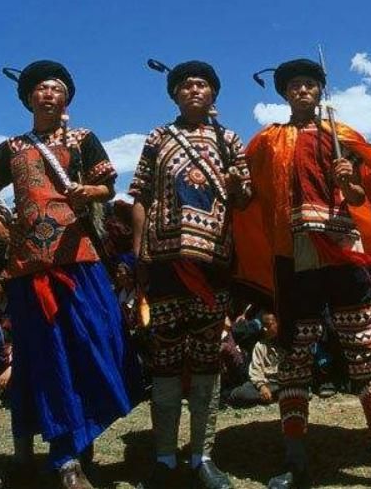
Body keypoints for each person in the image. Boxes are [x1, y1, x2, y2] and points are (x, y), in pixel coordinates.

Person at [235, 58, 371, 489]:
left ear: (320, 91)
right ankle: (295, 459)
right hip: (294, 256)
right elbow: (248, 195)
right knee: (295, 355)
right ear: (285, 94)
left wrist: (349, 181)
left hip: (344, 251)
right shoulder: (268, 141)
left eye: (310, 84)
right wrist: (235, 185)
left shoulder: (343, 136)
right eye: (295, 85)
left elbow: (360, 196)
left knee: (365, 349)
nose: (303, 90)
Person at [0, 60, 143, 489]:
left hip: (80, 260)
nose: (49, 94)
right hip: (29, 268)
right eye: (42, 89)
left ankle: (82, 446)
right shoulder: (11, 147)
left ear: (66, 100)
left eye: (57, 89)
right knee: (45, 356)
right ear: (29, 98)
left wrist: (88, 191)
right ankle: (62, 460)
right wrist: (1, 229)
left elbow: (108, 187)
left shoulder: (82, 140)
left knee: (98, 342)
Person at [130, 59, 251, 489]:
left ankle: (203, 456)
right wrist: (139, 251)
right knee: (164, 359)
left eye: (202, 84)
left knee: (206, 359)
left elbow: (244, 199)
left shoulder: (228, 139)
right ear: (175, 95)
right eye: (185, 85)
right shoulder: (158, 138)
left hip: (213, 262)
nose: (194, 90)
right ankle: (165, 458)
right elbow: (140, 194)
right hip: (165, 262)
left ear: (213, 94)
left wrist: (236, 185)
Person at [229, 311, 281, 407]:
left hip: (282, 382)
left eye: (269, 325)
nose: (265, 329)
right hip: (267, 382)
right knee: (239, 394)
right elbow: (256, 370)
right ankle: (269, 396)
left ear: (277, 324)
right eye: (264, 326)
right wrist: (262, 386)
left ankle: (274, 396)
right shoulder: (260, 346)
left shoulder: (286, 344)